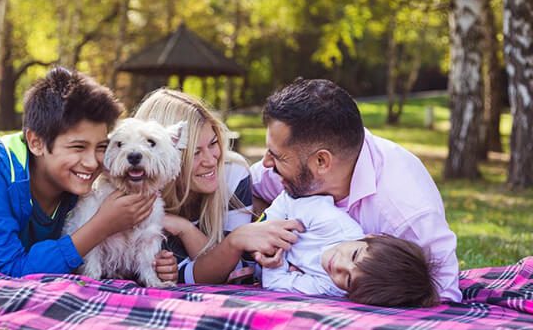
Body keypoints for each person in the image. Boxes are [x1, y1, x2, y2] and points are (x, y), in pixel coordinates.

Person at [251, 78, 461, 302]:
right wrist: (261, 235)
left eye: (277, 156)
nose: (265, 162)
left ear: (322, 161)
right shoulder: (293, 170)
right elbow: (242, 188)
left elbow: (444, 297)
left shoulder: (407, 214)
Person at [0, 67, 177, 280]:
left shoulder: (86, 186)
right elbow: (1, 271)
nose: (92, 164)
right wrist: (99, 227)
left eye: (101, 147)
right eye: (78, 147)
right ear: (36, 142)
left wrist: (151, 263)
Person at [134, 88, 303, 284]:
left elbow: (236, 271)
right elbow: (186, 275)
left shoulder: (232, 174)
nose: (210, 160)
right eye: (195, 153)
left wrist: (184, 229)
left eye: (213, 144)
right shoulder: (147, 198)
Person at [259, 192, 440, 307]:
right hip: (258, 213)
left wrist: (274, 259)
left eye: (348, 279)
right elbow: (289, 200)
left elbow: (274, 283)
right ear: (372, 237)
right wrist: (271, 232)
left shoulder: (332, 287)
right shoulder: (334, 225)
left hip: (253, 257)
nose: (339, 265)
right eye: (354, 255)